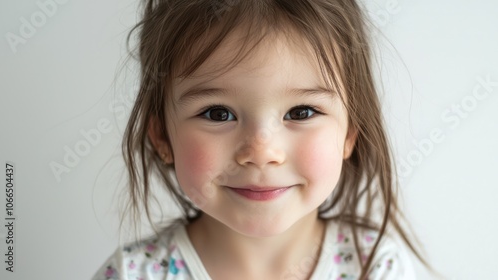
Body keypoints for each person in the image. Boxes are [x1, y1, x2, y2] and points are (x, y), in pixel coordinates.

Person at [93, 0, 437, 279]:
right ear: (162, 137)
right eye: (218, 113)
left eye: (301, 112)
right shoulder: (131, 274)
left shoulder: (377, 269)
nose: (261, 152)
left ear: (350, 133)